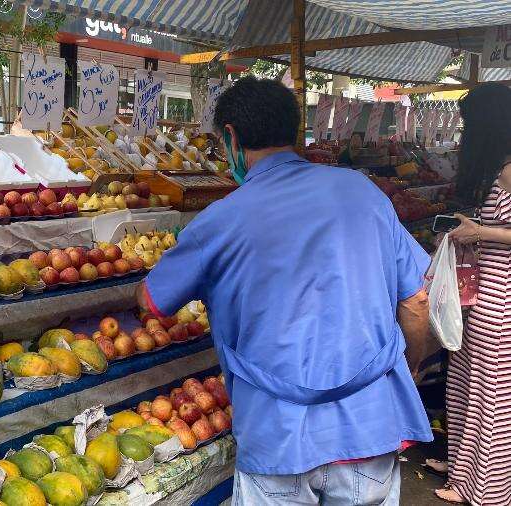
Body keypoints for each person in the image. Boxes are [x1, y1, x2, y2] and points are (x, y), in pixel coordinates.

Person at [136, 76, 433, 504]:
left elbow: (153, 303)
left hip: (278, 441)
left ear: (232, 137)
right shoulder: (363, 193)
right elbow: (416, 302)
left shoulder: (221, 220)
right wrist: (410, 363)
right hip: (369, 428)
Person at [432, 82, 511, 505]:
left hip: (500, 297)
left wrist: (479, 231)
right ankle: (462, 467)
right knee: (465, 381)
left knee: (490, 393)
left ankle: (485, 486)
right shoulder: (496, 166)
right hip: (479, 293)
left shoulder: (509, 169)